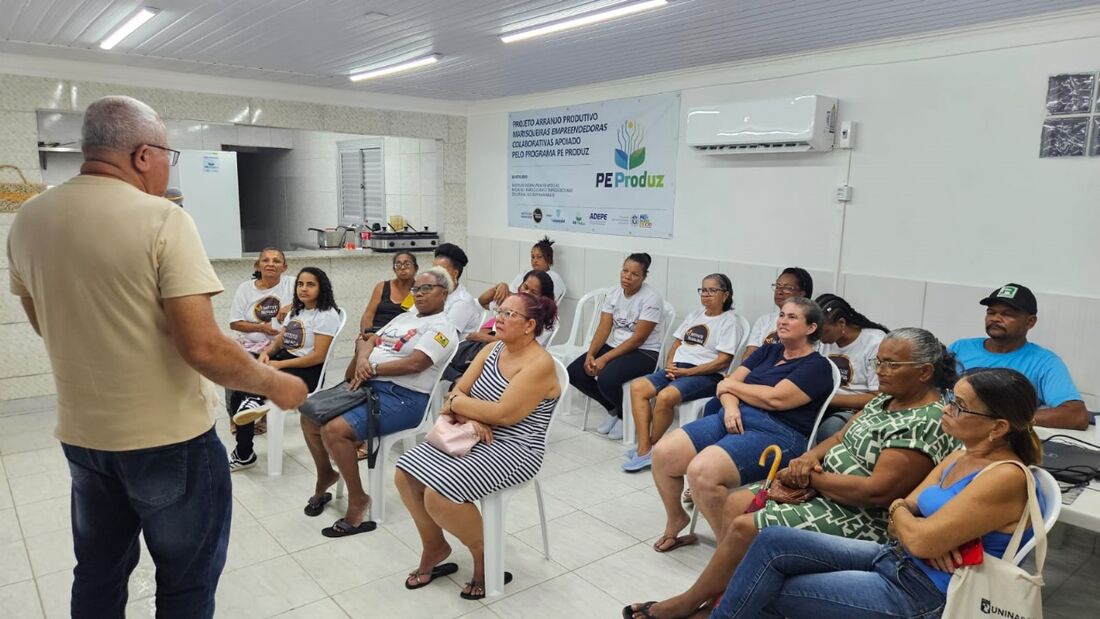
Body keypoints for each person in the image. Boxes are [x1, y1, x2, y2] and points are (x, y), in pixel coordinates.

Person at [6, 95, 307, 618]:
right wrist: (275, 383)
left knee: (98, 572)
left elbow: (43, 321)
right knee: (186, 582)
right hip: (167, 441)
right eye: (169, 154)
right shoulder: (163, 218)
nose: (169, 166)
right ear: (143, 155)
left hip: (84, 437)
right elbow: (202, 346)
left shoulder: (30, 218)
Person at [624, 327, 960, 619]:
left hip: (861, 515)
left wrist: (810, 478)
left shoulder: (925, 421)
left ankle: (692, 604)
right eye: (878, 362)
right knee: (733, 504)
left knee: (745, 526)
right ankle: (726, 598)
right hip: (825, 489)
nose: (881, 371)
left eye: (891, 365)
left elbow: (877, 492)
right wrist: (808, 458)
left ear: (924, 372)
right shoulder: (886, 400)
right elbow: (839, 437)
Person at [706, 368, 1045, 619]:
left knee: (767, 588)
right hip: (897, 558)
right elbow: (905, 509)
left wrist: (920, 530)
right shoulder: (962, 454)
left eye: (959, 406)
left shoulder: (1005, 477)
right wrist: (916, 526)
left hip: (925, 592)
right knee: (772, 542)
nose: (946, 409)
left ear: (998, 427)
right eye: (950, 400)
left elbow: (918, 535)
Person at [395, 292, 561, 600]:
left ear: (530, 325)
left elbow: (504, 415)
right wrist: (466, 410)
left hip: (515, 448)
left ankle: (485, 555)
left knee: (439, 492)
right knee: (405, 472)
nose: (499, 318)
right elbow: (455, 392)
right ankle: (434, 545)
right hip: (472, 432)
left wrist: (460, 406)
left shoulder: (539, 364)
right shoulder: (494, 348)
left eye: (510, 314)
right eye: (501, 311)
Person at [649, 297, 834, 553]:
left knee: (702, 472)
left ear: (811, 328)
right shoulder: (767, 351)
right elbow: (724, 386)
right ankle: (676, 518)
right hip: (734, 415)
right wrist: (732, 406)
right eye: (782, 315)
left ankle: (731, 550)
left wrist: (733, 389)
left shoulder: (817, 366)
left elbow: (776, 399)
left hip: (779, 432)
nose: (782, 321)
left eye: (792, 317)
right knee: (663, 454)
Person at [299, 268, 458, 537]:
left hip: (404, 397)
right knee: (309, 415)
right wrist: (364, 361)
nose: (419, 294)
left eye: (426, 289)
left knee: (334, 430)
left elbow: (417, 363)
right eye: (416, 289)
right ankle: (326, 473)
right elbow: (369, 339)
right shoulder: (405, 317)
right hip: (368, 385)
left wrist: (372, 368)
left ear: (444, 293)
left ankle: (358, 499)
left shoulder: (442, 328)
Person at [624, 274, 743, 472]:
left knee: (665, 397)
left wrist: (688, 373)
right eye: (703, 290)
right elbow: (677, 343)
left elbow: (723, 361)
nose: (706, 294)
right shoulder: (695, 315)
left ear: (725, 295)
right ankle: (645, 448)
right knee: (638, 387)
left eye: (712, 290)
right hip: (678, 368)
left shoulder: (730, 322)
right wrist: (670, 365)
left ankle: (649, 448)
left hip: (706, 375)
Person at [229, 267, 342, 470]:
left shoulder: (326, 315)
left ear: (322, 288)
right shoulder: (296, 311)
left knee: (254, 384)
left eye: (310, 284)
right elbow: (279, 341)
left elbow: (318, 356)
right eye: (300, 284)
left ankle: (252, 407)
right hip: (285, 360)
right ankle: (245, 449)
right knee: (239, 381)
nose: (303, 289)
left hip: (308, 372)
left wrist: (279, 365)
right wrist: (267, 353)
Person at [949, 283, 1087, 430]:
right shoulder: (960, 348)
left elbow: (1077, 415)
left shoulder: (1044, 362)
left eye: (1007, 314)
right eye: (991, 312)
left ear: (1030, 322)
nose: (995, 319)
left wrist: (1007, 419)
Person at [567, 253, 666, 441]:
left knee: (607, 378)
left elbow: (638, 339)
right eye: (625, 271)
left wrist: (604, 358)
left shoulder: (651, 299)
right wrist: (591, 354)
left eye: (634, 274)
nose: (627, 276)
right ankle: (612, 408)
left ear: (644, 277)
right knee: (575, 372)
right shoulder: (614, 293)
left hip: (645, 352)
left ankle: (624, 415)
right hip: (616, 345)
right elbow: (603, 329)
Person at [225, 247, 294, 444]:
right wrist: (262, 327)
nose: (271, 264)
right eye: (266, 260)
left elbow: (317, 295)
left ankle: (262, 415)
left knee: (261, 365)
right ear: (258, 265)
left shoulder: (292, 284)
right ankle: (236, 417)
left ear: (284, 267)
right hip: (249, 343)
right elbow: (234, 323)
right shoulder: (245, 289)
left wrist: (292, 305)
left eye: (276, 261)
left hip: (280, 345)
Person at [812, 293, 890, 443]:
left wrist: (828, 399)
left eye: (824, 331)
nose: (818, 337)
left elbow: (878, 397)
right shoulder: (822, 341)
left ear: (841, 323)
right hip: (823, 401)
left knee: (829, 430)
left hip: (856, 409)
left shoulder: (875, 343)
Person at [742, 267, 813, 360]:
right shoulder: (764, 320)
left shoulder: (807, 325)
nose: (779, 292)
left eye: (787, 288)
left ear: (802, 294)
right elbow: (749, 354)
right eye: (778, 286)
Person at [478, 236, 567, 306]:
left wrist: (505, 291)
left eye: (539, 257)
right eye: (532, 257)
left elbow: (539, 304)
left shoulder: (553, 278)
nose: (535, 260)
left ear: (549, 259)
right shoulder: (525, 274)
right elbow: (484, 301)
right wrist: (500, 288)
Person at [359, 251, 418, 334]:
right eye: (398, 265)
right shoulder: (382, 286)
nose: (402, 267)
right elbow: (368, 315)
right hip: (377, 331)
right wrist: (366, 334)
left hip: (403, 334)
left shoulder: (419, 290)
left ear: (415, 268)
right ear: (394, 269)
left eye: (407, 264)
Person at [433, 243, 482, 340]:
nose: (433, 274)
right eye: (433, 269)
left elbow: (444, 338)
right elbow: (410, 318)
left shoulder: (463, 301)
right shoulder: (428, 292)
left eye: (440, 270)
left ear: (455, 273)